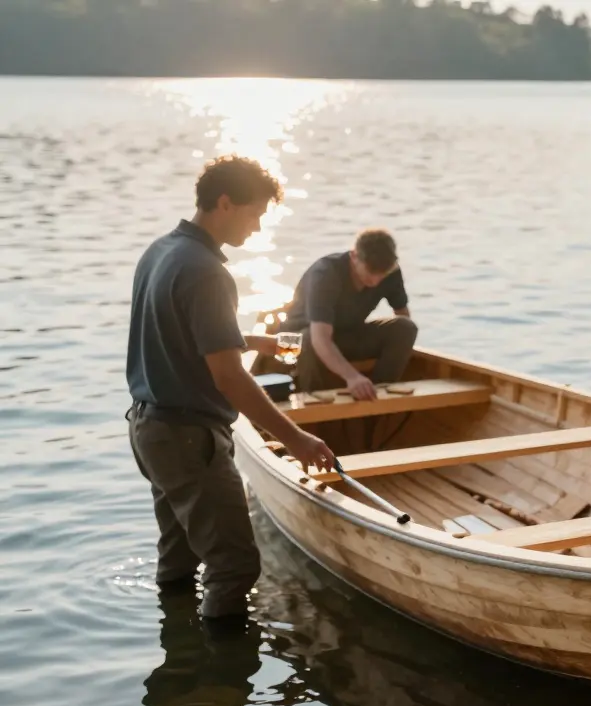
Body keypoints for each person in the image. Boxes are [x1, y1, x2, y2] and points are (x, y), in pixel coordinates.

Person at [126, 154, 336, 631]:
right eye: (255, 213)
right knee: (234, 565)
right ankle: (224, 691)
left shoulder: (161, 251)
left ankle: (178, 665)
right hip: (187, 438)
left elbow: (176, 333)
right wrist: (296, 438)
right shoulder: (207, 271)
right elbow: (229, 377)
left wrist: (254, 342)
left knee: (179, 555)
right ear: (225, 203)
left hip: (148, 427)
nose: (257, 228)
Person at [276, 229, 418, 401]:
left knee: (406, 328)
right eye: (371, 270)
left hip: (344, 335)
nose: (375, 280)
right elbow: (319, 338)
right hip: (289, 344)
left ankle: (378, 396)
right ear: (354, 256)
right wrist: (352, 377)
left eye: (383, 273)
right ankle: (317, 408)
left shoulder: (391, 272)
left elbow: (403, 314)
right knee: (308, 340)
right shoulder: (325, 273)